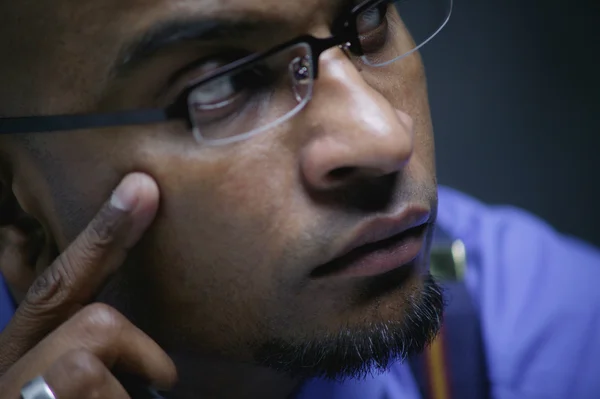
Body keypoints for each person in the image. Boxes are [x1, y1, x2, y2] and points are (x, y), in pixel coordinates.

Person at [0, 0, 598, 398]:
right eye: (225, 83)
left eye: (365, 22)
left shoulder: (543, 329)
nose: (385, 135)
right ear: (17, 211)